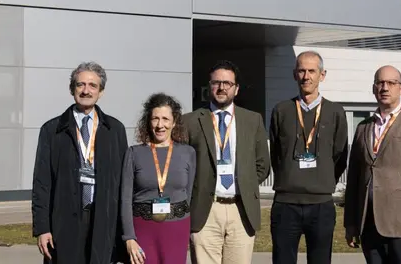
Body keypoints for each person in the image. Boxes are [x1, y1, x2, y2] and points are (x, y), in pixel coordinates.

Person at [31, 61, 129, 264]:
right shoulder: (52, 130)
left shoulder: (115, 130)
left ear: (101, 92)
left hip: (103, 219)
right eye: (80, 85)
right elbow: (42, 183)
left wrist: (125, 231)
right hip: (64, 221)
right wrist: (42, 228)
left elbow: (123, 184)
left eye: (93, 85)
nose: (86, 90)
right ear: (71, 89)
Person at [344, 65, 401, 264]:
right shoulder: (363, 127)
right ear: (373, 88)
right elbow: (354, 178)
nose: (385, 88)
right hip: (369, 225)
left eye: (391, 83)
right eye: (380, 83)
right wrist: (351, 223)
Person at [184, 60, 271, 264]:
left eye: (227, 83)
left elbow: (263, 165)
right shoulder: (190, 121)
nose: (222, 87)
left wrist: (245, 184)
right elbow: (183, 166)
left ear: (236, 88)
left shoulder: (253, 120)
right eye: (216, 83)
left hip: (241, 209)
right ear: (209, 86)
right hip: (206, 210)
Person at [269, 50, 349, 264]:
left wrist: (322, 178)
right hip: (285, 204)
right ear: (294, 74)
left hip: (321, 204)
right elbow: (276, 155)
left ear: (322, 75)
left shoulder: (335, 112)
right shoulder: (281, 110)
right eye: (301, 71)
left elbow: (340, 156)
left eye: (312, 71)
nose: (306, 76)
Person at [120, 93, 196, 264]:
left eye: (165, 119)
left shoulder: (188, 153)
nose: (160, 125)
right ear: (148, 121)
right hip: (143, 229)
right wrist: (129, 238)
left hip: (177, 228)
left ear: (174, 121)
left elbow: (188, 193)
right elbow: (125, 199)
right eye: (155, 119)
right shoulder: (134, 153)